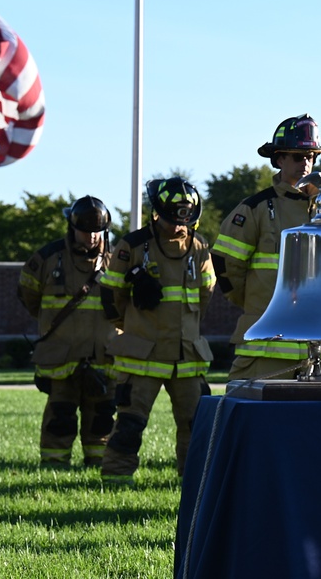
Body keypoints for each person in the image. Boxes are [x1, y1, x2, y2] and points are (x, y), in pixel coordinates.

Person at [211, 114, 321, 381]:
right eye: (298, 157)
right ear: (279, 159)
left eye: (311, 156)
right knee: (255, 419)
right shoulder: (256, 209)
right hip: (266, 345)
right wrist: (257, 303)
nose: (306, 163)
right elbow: (226, 264)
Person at [98, 177, 215, 482]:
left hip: (187, 355)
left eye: (185, 221)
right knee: (130, 421)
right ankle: (116, 477)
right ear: (157, 213)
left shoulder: (199, 246)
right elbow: (111, 296)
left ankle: (193, 481)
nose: (179, 227)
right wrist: (131, 327)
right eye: (172, 220)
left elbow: (206, 294)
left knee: (195, 423)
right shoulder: (133, 246)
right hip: (143, 354)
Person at [18, 196, 118, 467]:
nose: (93, 237)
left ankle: (97, 465)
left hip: (104, 357)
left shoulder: (117, 260)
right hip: (61, 355)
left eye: (98, 231)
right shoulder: (48, 258)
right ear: (72, 227)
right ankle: (54, 466)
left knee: (102, 416)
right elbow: (29, 296)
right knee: (60, 415)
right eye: (86, 230)